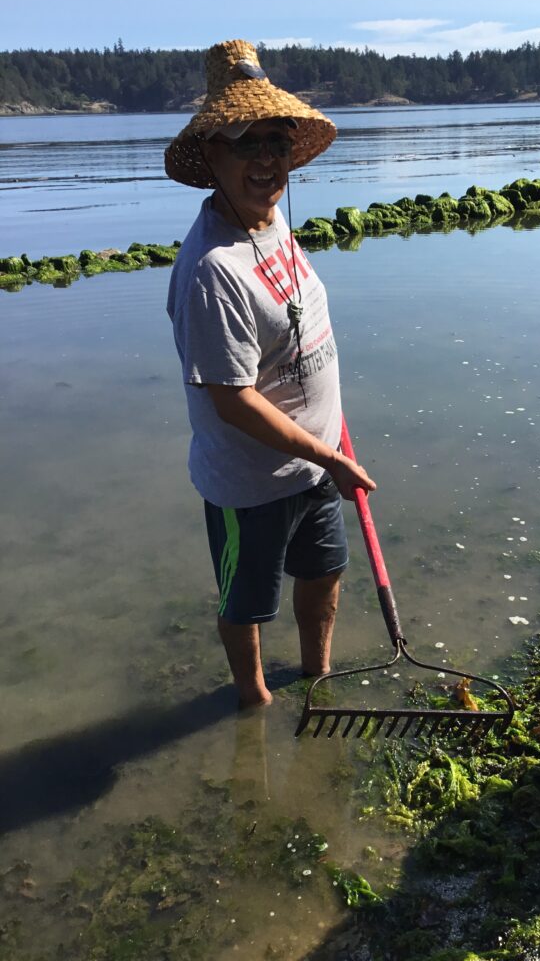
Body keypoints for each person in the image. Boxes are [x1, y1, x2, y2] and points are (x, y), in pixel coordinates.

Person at [165, 39, 375, 708]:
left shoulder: (273, 218)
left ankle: (317, 677)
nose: (265, 160)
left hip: (319, 458)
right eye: (244, 142)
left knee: (325, 572)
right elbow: (233, 401)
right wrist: (326, 454)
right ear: (211, 156)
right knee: (247, 602)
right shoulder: (210, 270)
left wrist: (331, 438)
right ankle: (252, 705)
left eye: (277, 143)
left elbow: (297, 334)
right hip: (250, 482)